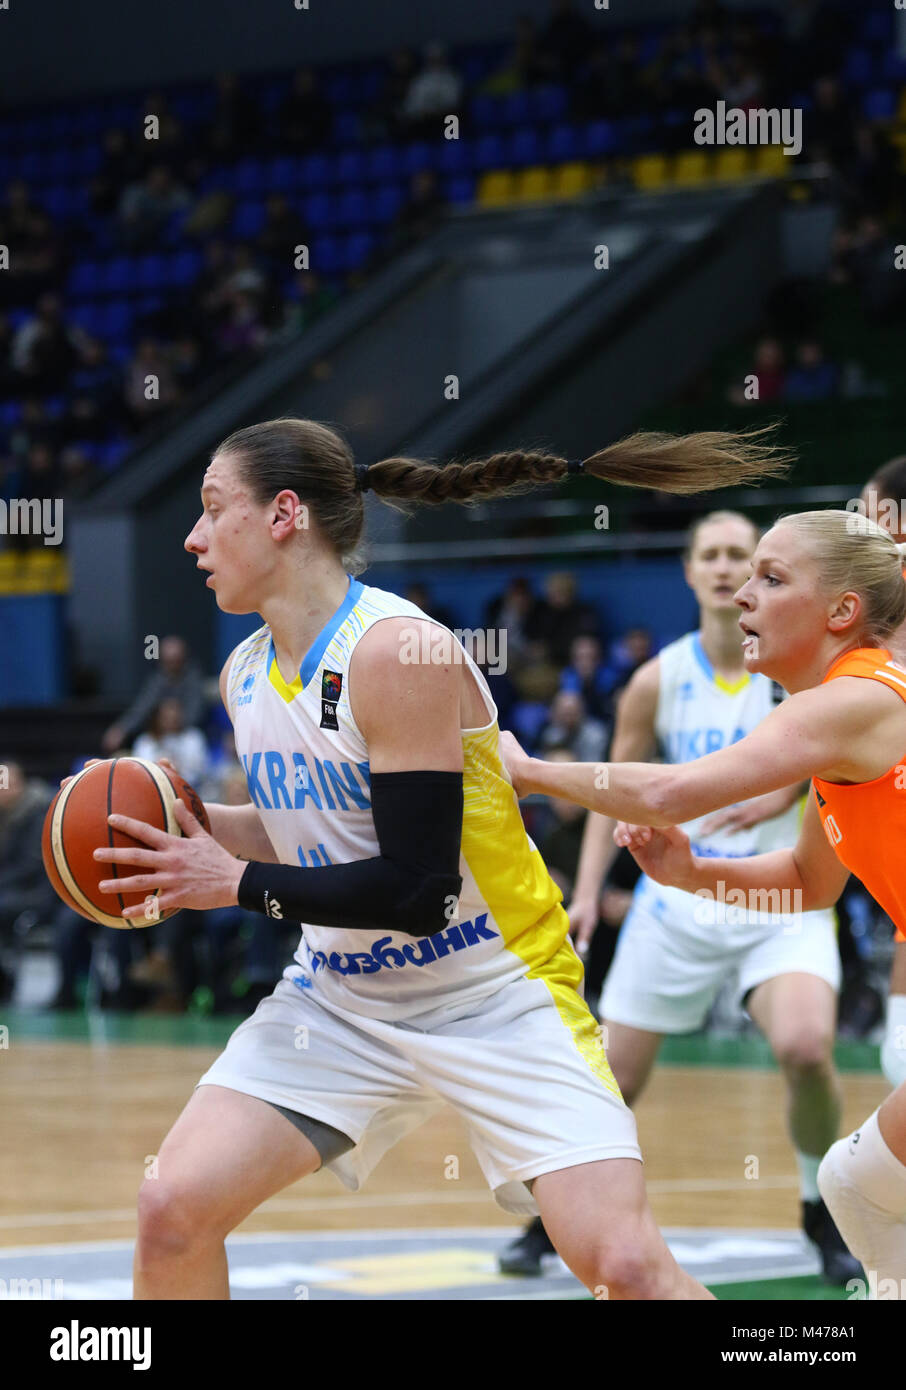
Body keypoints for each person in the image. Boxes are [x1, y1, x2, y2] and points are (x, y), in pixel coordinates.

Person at [87, 418, 789, 1300]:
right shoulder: (245, 672)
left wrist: (230, 885)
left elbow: (417, 888)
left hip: (495, 991)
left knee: (623, 1267)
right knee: (172, 1209)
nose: (191, 537)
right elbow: (313, 828)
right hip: (339, 1001)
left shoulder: (396, 650)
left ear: (284, 515)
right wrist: (195, 824)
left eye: (211, 508)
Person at [499, 507, 906, 1289]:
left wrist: (534, 772)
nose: (742, 595)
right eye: (742, 572)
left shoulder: (848, 701)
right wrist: (690, 876)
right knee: (854, 1185)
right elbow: (807, 882)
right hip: (686, 921)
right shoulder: (843, 714)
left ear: (842, 613)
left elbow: (676, 788)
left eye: (770, 577)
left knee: (856, 1183)